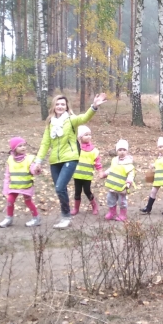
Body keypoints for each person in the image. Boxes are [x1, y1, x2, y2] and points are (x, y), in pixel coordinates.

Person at [34, 93, 107, 229]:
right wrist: (38, 161)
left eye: (63, 104)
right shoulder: (50, 123)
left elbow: (84, 118)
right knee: (60, 189)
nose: (60, 106)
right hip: (55, 161)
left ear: (67, 106)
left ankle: (66, 217)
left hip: (70, 158)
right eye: (57, 104)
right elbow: (45, 143)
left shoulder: (71, 119)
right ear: (53, 106)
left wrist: (94, 106)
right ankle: (65, 215)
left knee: (59, 187)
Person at [0, 137, 41, 228]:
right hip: (13, 186)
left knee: (28, 202)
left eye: (24, 145)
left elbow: (32, 170)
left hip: (26, 186)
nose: (23, 147)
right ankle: (9, 218)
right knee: (10, 201)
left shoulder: (29, 159)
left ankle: (36, 218)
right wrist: (6, 189)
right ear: (14, 148)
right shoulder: (10, 159)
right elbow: (7, 175)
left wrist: (36, 169)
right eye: (20, 146)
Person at [101, 139, 135, 221]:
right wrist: (105, 173)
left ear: (127, 151)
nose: (122, 152)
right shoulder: (114, 160)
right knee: (110, 198)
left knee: (122, 201)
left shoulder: (128, 163)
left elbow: (131, 174)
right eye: (120, 150)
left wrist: (128, 182)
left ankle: (123, 214)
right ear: (117, 151)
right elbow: (111, 169)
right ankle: (112, 212)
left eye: (124, 150)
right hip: (113, 185)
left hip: (122, 187)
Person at [141, 136, 163, 215]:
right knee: (153, 191)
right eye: (160, 147)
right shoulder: (160, 157)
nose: (162, 148)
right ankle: (148, 208)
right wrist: (153, 165)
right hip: (158, 178)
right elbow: (159, 164)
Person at [72, 126, 103, 216]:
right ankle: (76, 208)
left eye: (89, 134)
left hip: (87, 176)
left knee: (87, 191)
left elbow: (97, 162)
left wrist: (100, 171)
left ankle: (94, 206)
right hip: (77, 175)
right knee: (77, 192)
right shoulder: (76, 148)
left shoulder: (94, 150)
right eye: (86, 135)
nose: (89, 136)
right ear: (80, 137)